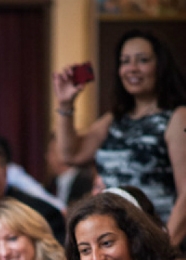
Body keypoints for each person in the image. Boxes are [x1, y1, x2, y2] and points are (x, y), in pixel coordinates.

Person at [53, 29, 186, 245]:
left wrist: (165, 248)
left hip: (157, 239)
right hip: (116, 239)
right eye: (125, 61)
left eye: (142, 60)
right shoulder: (115, 119)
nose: (132, 68)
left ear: (160, 66)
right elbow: (70, 154)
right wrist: (66, 104)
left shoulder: (178, 117)